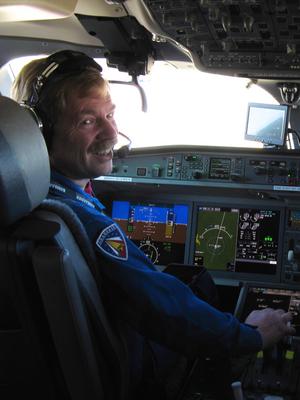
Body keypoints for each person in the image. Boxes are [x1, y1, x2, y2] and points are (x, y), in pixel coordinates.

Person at [12, 50, 295, 399]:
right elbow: (160, 305)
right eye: (88, 121)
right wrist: (250, 335)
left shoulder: (34, 204)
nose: (111, 132)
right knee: (195, 288)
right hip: (128, 368)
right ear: (41, 133)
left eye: (111, 115)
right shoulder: (79, 219)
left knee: (185, 281)